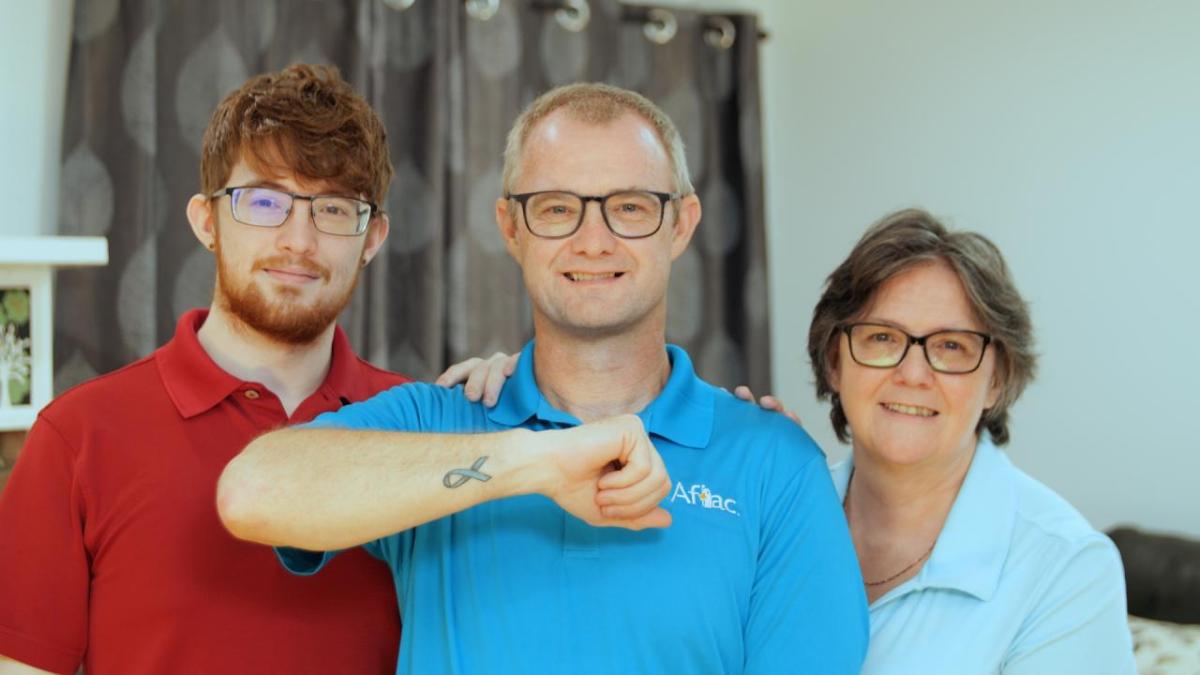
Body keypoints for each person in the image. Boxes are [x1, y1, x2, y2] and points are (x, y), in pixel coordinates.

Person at [218, 82, 869, 674]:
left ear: (681, 223)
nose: (593, 241)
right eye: (558, 208)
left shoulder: (776, 464)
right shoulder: (435, 420)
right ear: (510, 225)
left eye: (631, 207)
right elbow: (254, 490)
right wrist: (534, 460)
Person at [0, 64, 510, 675]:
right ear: (206, 220)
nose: (298, 240)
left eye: (334, 208)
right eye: (264, 201)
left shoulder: (427, 430)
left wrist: (510, 398)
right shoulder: (77, 437)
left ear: (372, 238)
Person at [806, 209, 1135, 673]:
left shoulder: (1068, 568)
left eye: (951, 346)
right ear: (834, 362)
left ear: (997, 380)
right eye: (882, 337)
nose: (913, 374)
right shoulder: (773, 515)